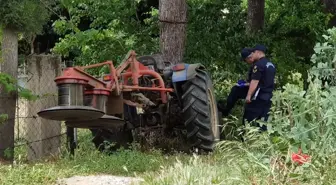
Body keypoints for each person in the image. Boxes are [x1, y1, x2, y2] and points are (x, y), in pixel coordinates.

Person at [242, 44, 276, 131]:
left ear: (257, 52)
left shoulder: (258, 65)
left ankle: (245, 138)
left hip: (259, 96)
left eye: (253, 52)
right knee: (264, 121)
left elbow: (255, 81)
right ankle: (262, 140)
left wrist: (249, 95)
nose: (252, 54)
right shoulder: (271, 64)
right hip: (269, 96)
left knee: (248, 119)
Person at [217, 47, 256, 117]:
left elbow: (256, 82)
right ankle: (227, 109)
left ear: (249, 58)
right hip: (252, 87)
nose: (245, 62)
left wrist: (245, 84)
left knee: (236, 90)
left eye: (245, 60)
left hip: (256, 90)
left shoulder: (258, 66)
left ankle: (226, 110)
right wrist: (244, 82)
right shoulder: (253, 65)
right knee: (235, 89)